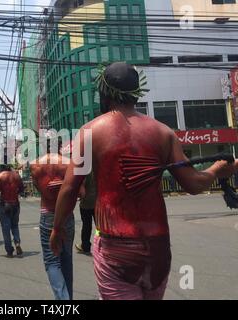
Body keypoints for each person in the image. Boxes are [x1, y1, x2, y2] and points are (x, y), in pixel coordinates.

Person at [50, 62, 236, 300]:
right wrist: (218, 170)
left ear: (104, 94)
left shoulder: (90, 132)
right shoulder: (163, 132)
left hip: (116, 247)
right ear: (136, 93)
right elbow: (194, 184)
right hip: (158, 248)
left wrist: (56, 229)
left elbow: (70, 188)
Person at [30, 142, 74, 300]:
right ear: (60, 145)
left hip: (47, 213)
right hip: (67, 215)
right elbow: (81, 192)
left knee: (52, 261)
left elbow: (40, 190)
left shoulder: (34, 165)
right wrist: (65, 185)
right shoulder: (69, 164)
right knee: (66, 258)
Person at [75, 171, 96, 255]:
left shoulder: (85, 170)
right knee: (100, 226)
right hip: (98, 202)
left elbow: (81, 191)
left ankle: (85, 246)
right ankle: (104, 245)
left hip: (86, 203)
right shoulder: (99, 165)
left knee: (87, 226)